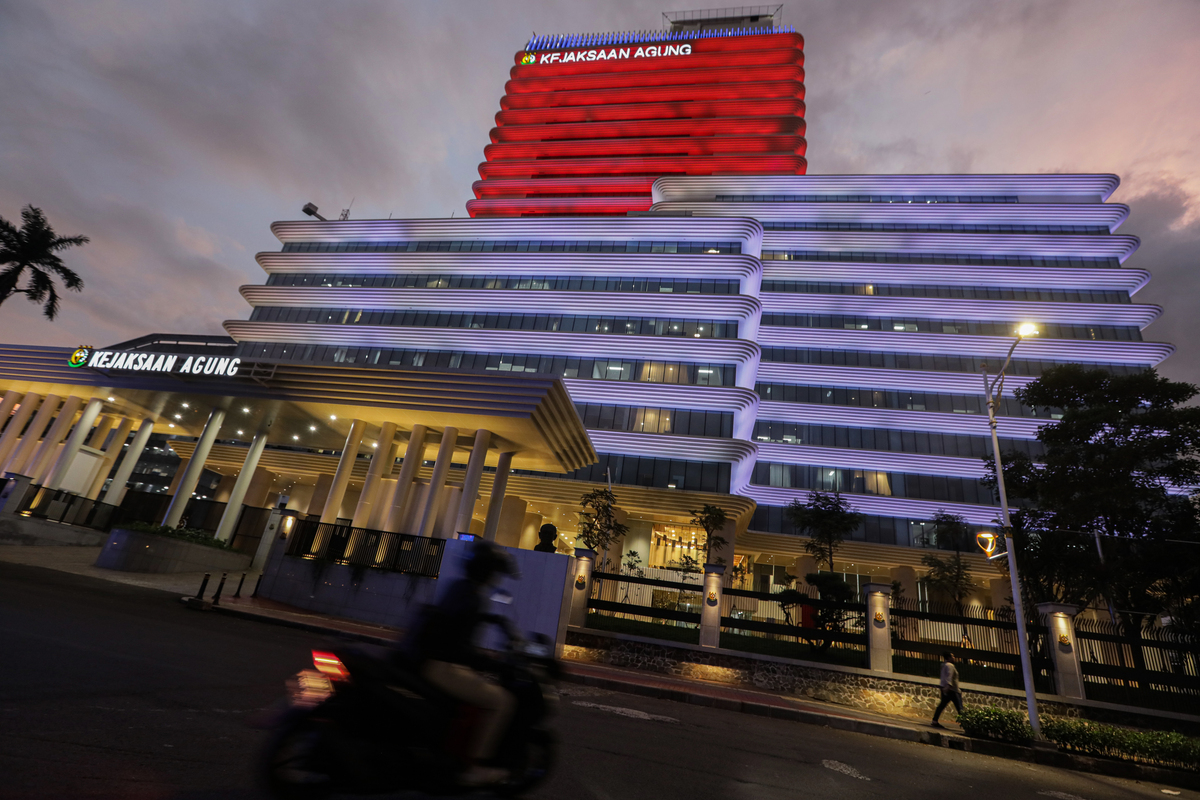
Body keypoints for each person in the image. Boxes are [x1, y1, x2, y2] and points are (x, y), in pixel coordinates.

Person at [403, 540, 518, 786]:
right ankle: (474, 767)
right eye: (494, 572)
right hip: (441, 666)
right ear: (487, 571)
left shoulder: (460, 588)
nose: (496, 578)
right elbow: (460, 650)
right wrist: (494, 664)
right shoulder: (473, 598)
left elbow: (456, 633)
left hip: (429, 660)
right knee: (502, 701)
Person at [931, 651, 962, 728]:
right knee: (960, 708)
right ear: (949, 658)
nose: (954, 658)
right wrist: (949, 686)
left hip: (944, 688)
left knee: (942, 705)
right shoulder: (950, 666)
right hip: (952, 690)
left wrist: (944, 688)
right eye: (952, 656)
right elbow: (949, 676)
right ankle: (966, 725)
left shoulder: (943, 665)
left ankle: (935, 720)